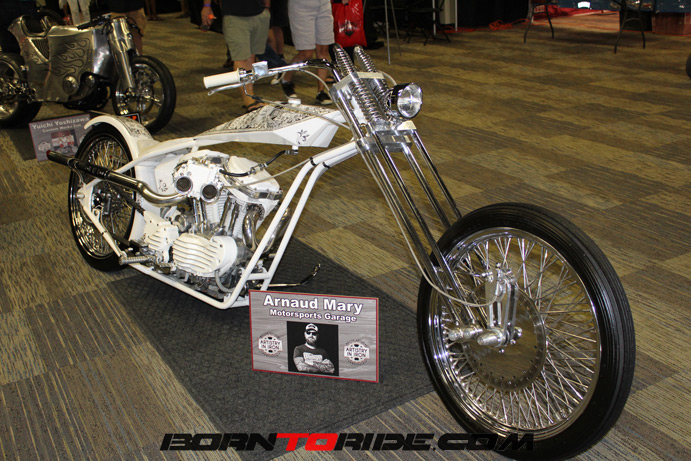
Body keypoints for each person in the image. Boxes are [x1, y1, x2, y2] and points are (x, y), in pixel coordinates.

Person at [202, 0, 270, 113]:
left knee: (251, 56)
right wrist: (207, 6)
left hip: (259, 12)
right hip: (235, 15)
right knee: (241, 57)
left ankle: (250, 95)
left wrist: (266, 8)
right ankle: (248, 99)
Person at [279, 0, 334, 105]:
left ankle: (321, 91)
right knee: (306, 53)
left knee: (323, 49)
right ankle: (286, 78)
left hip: (324, 5)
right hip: (301, 7)